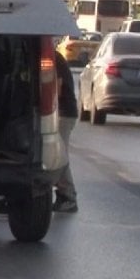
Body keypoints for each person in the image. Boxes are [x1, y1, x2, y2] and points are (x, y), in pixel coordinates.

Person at [53, 50, 79, 213]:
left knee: (59, 155)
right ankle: (63, 194)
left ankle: (68, 196)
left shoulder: (51, 58)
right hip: (63, 112)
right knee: (56, 154)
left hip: (64, 113)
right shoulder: (53, 56)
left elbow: (56, 87)